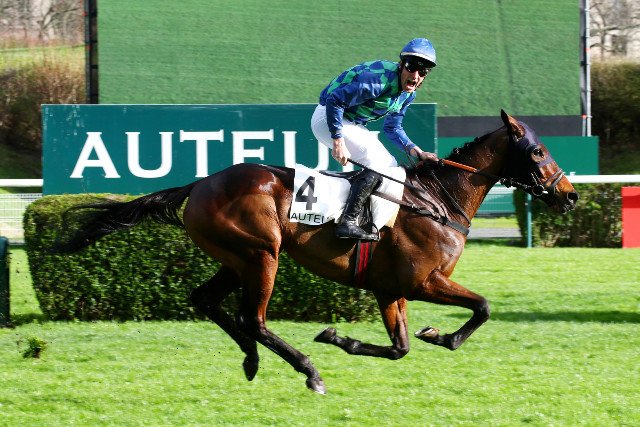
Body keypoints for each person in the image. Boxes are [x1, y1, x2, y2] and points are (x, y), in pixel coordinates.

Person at [311, 37, 439, 241]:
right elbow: (335, 100)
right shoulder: (378, 81)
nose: (415, 76)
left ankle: (362, 218)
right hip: (328, 115)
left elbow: (393, 128)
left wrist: (418, 152)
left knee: (390, 165)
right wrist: (338, 140)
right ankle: (347, 222)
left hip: (349, 120)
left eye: (422, 72)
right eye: (411, 67)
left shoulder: (408, 94)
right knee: (378, 163)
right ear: (401, 64)